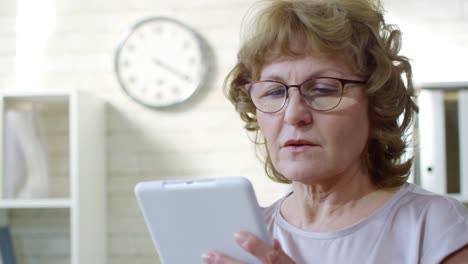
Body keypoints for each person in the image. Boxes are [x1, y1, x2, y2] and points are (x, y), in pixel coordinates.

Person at [201, 0, 468, 263]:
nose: (294, 115)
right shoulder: (245, 241)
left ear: (376, 103)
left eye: (323, 90)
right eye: (274, 91)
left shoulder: (437, 227)